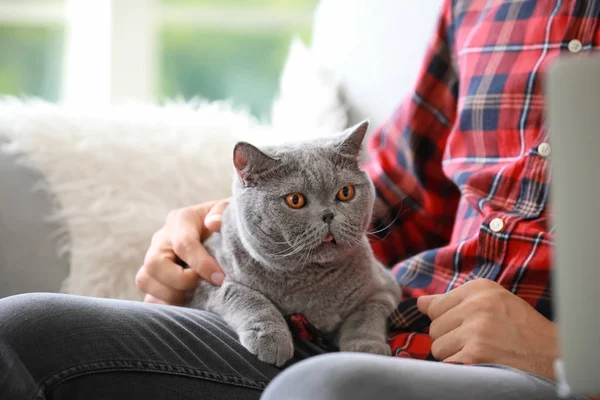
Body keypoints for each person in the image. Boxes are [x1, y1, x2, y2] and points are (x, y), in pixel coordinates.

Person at [0, 1, 596, 399]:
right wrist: (236, 232)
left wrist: (569, 354)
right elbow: (389, 202)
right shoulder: (483, 7)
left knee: (325, 388)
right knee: (22, 328)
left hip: (546, 371)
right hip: (371, 328)